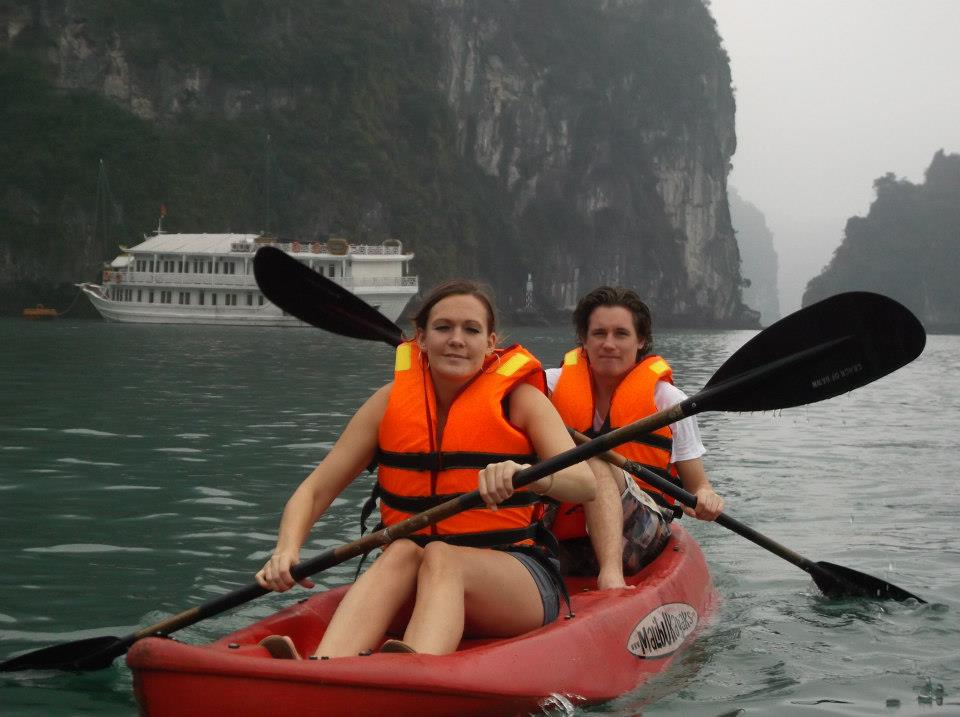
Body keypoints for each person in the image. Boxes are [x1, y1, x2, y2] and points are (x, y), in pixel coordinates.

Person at [255, 279, 596, 658]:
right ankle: (324, 667)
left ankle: (408, 675)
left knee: (441, 555)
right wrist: (286, 550)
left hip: (517, 578)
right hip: (415, 575)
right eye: (443, 327)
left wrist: (529, 474)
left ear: (490, 343)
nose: (456, 339)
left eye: (471, 330)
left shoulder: (523, 401)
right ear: (421, 338)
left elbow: (584, 484)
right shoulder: (388, 403)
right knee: (401, 549)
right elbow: (315, 490)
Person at [545, 286, 724, 590]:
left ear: (640, 341)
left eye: (621, 334)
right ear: (583, 340)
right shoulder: (548, 387)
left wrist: (707, 497)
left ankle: (611, 577)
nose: (609, 344)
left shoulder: (668, 402)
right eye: (599, 333)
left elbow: (698, 486)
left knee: (596, 457)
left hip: (641, 534)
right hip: (559, 533)